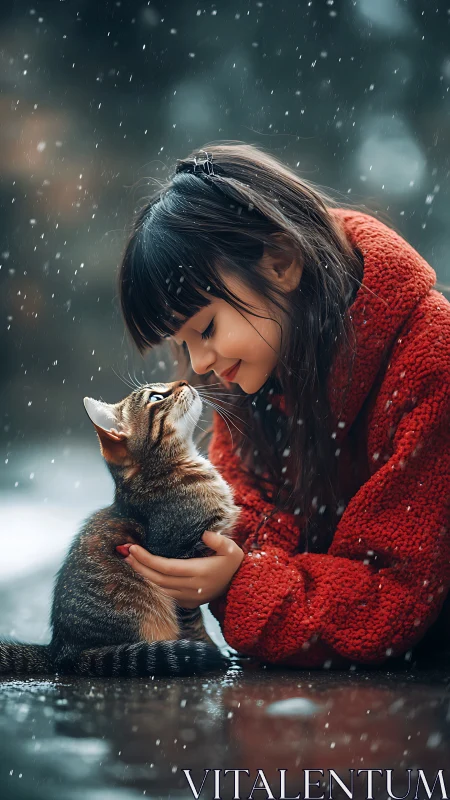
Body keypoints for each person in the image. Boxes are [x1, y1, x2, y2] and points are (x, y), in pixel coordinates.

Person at [116, 142, 450, 669]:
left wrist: (242, 581)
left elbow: (394, 593)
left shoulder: (430, 360)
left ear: (280, 262)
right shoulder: (258, 364)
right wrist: (212, 553)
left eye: (207, 328)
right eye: (183, 344)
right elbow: (247, 509)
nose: (200, 363)